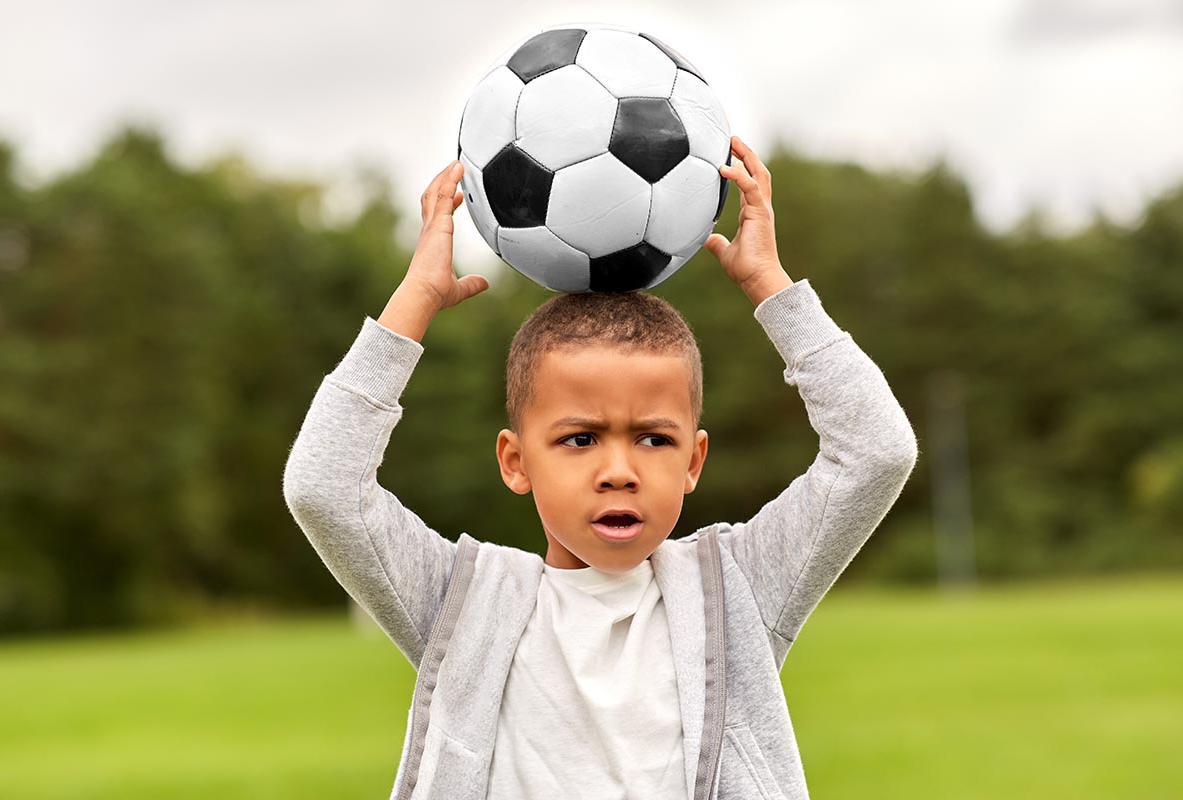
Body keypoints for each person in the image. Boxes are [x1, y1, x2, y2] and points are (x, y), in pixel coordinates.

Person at [282, 136, 919, 800]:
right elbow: (323, 488)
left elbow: (877, 451)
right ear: (516, 461)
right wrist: (415, 298)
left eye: (652, 440)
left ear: (694, 460)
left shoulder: (736, 592)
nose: (619, 470)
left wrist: (769, 284)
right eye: (581, 440)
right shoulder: (463, 603)